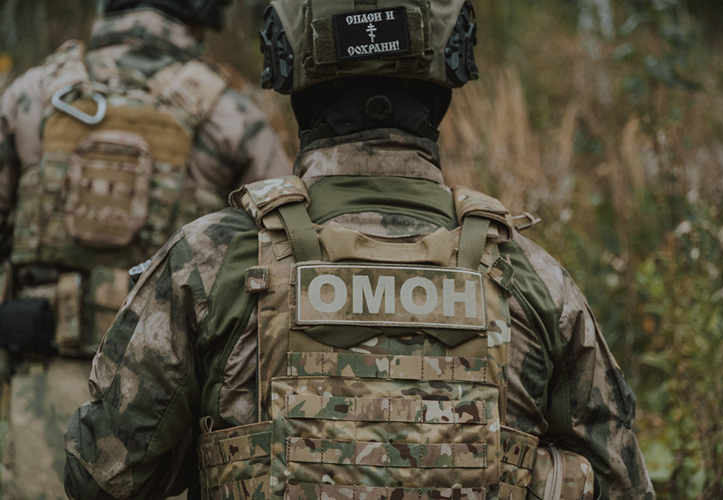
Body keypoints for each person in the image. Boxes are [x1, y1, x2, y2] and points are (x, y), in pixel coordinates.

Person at [64, 0, 655, 499]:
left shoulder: (208, 260)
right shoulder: (536, 278)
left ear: (289, 74)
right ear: (445, 81)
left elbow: (100, 476)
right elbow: (620, 481)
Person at [0, 1, 290, 498]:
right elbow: (281, 257)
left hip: (41, 381)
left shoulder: (32, 95)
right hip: (165, 410)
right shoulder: (231, 113)